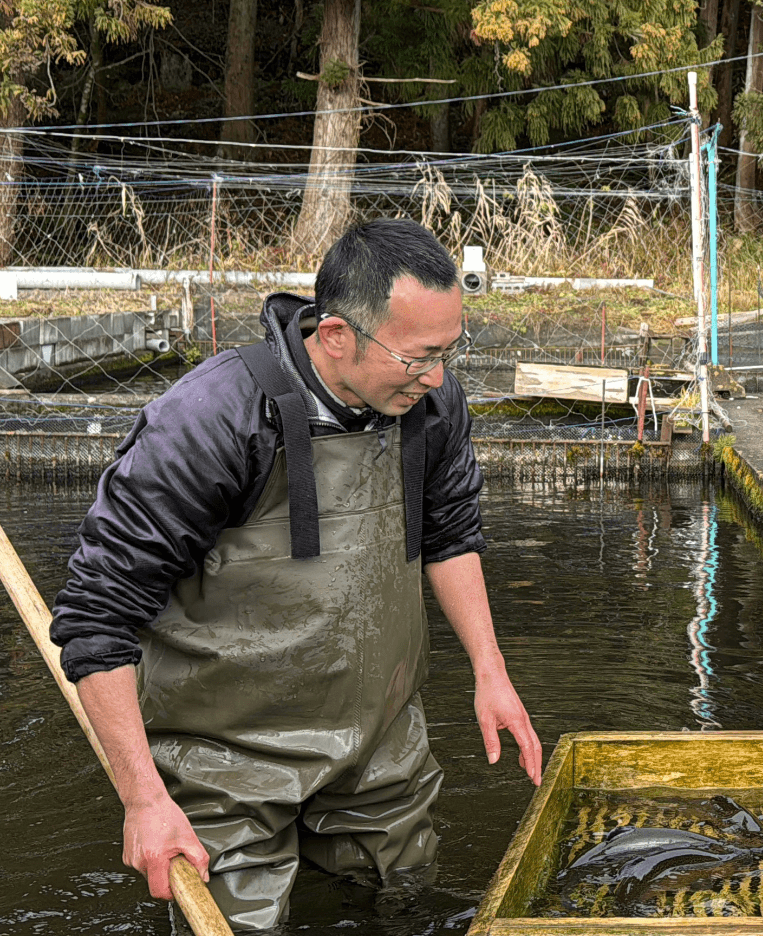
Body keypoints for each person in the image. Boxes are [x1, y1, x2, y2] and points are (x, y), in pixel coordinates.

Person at [49, 218, 543, 932]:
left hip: (379, 742)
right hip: (223, 761)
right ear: (337, 335)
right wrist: (144, 800)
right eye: (417, 358)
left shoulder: (430, 404)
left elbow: (450, 534)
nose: (437, 376)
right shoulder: (212, 419)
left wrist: (490, 671)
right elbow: (98, 615)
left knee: (397, 904)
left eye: (448, 351)